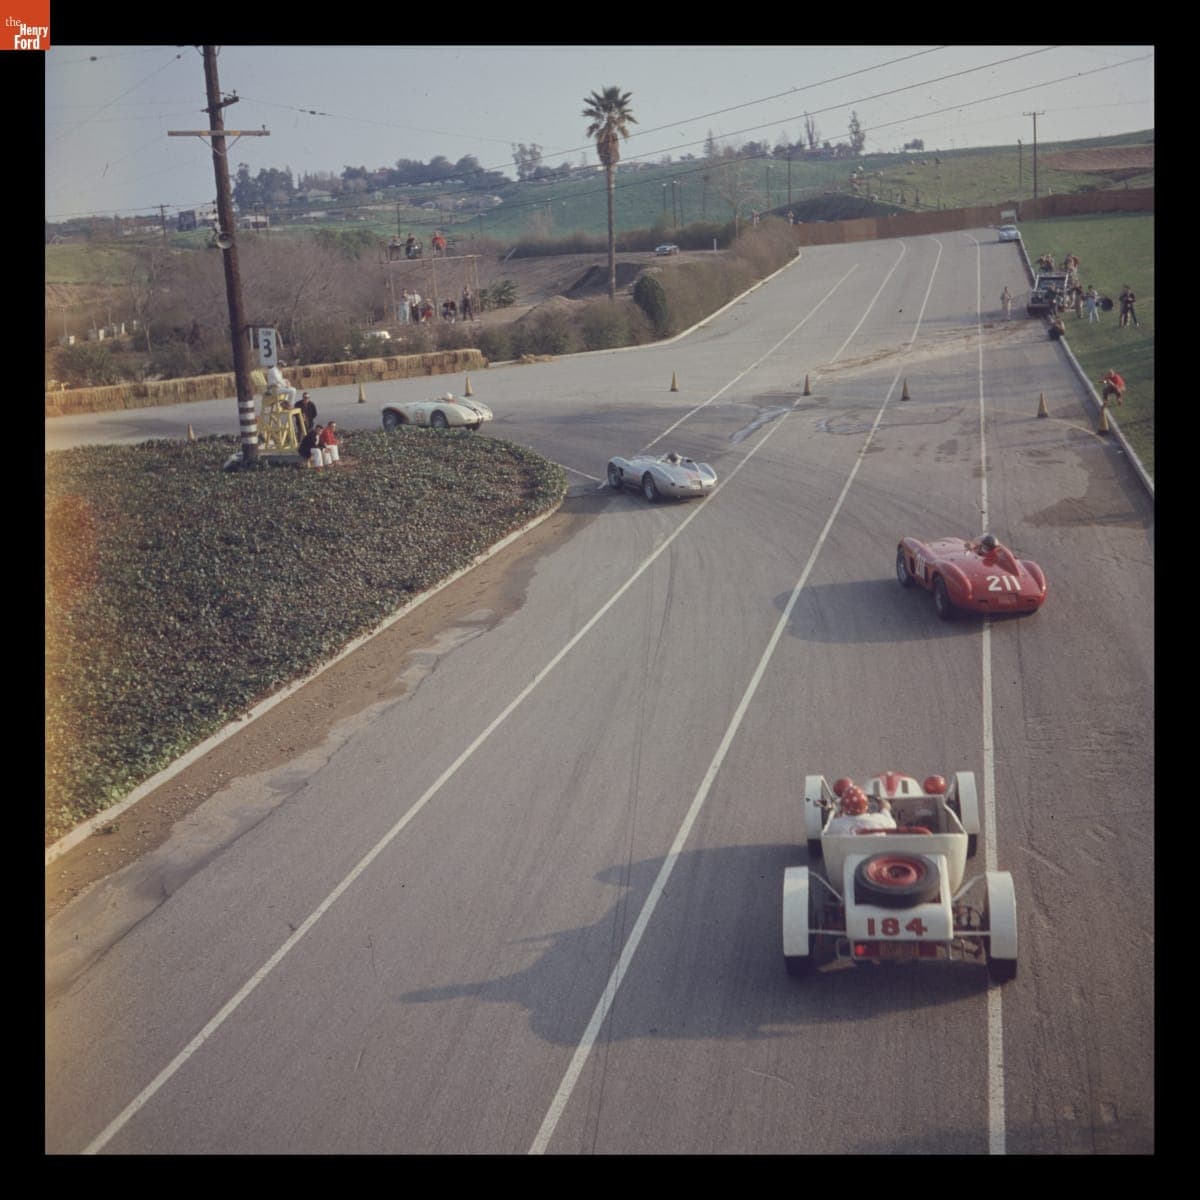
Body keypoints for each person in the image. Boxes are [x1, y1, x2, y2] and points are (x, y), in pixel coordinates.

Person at [826, 787, 897, 835]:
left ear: (844, 808)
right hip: (877, 855)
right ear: (866, 805)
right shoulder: (881, 820)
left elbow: (828, 833)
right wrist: (885, 808)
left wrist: (838, 815)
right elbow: (893, 826)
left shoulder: (834, 825)